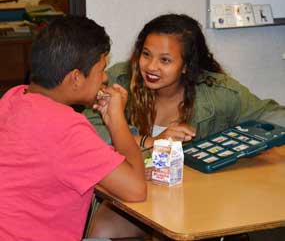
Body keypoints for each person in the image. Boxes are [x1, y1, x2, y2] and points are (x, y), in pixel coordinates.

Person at [84, 13, 285, 239]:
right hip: (133, 195)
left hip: (192, 200)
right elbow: (87, 131)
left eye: (165, 60)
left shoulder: (218, 92)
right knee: (101, 231)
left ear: (186, 65)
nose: (151, 66)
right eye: (146, 54)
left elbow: (272, 116)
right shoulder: (119, 79)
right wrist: (149, 141)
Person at [0, 15, 147, 241]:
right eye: (101, 69)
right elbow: (136, 189)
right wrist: (116, 119)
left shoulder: (13, 98)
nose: (105, 77)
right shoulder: (64, 127)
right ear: (76, 78)